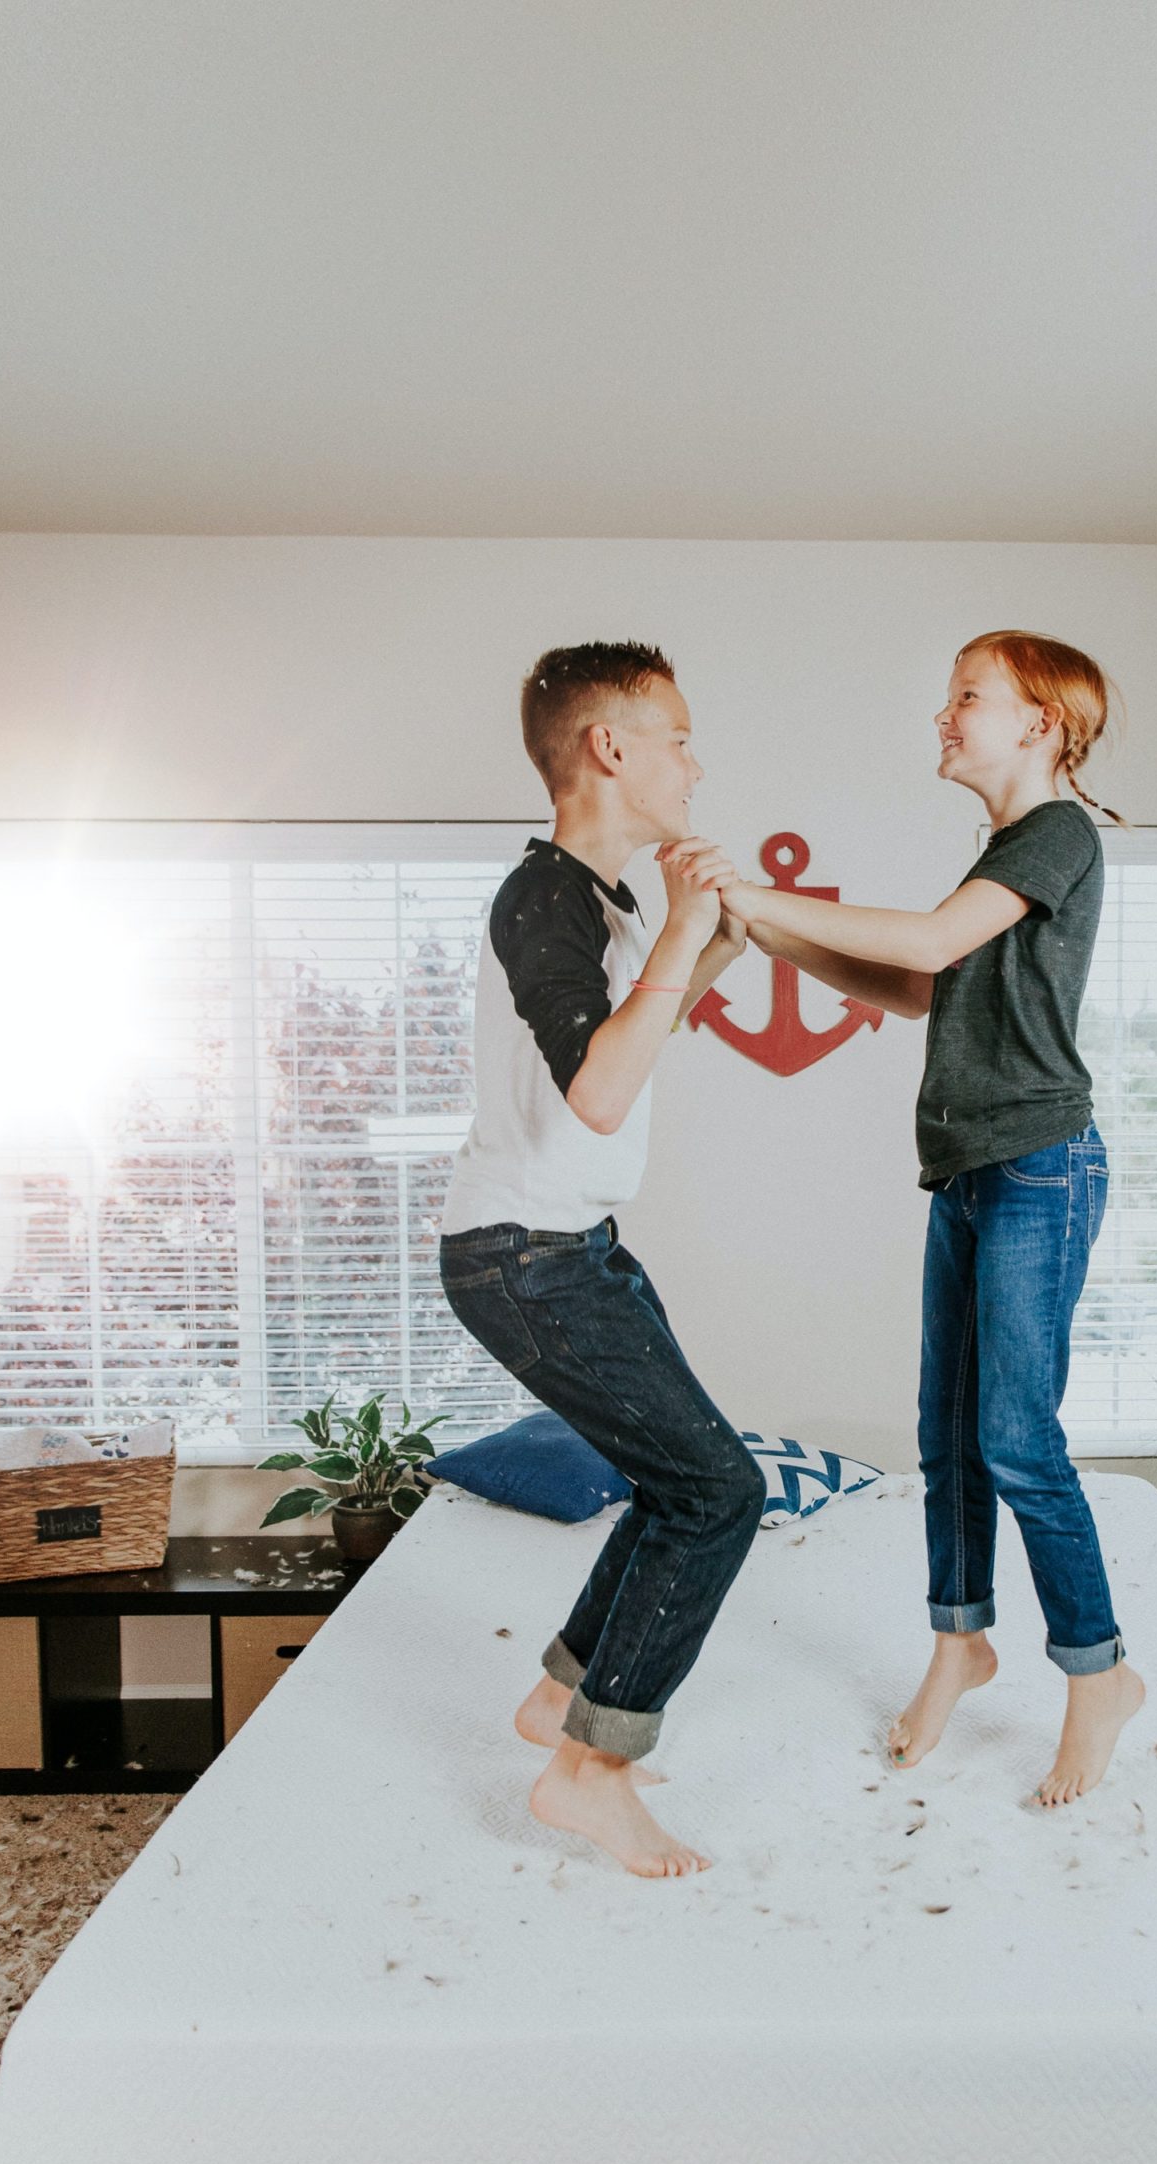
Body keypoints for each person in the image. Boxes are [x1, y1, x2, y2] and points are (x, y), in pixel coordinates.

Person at [719, 631, 1143, 1807]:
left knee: (1015, 1438)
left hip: (1039, 1170)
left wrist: (758, 893)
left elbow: (926, 941)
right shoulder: (1003, 852)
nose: (944, 717)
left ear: (1040, 724)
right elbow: (915, 986)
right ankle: (960, 1639)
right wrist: (773, 934)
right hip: (967, 1173)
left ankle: (1099, 1672)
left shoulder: (1057, 834)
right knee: (946, 1434)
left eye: (967, 698)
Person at [439, 640, 762, 1879]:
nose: (695, 757)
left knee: (678, 1481)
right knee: (718, 1494)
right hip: (525, 1256)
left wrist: (710, 939)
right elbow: (598, 1094)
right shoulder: (544, 897)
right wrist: (688, 929)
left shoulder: (604, 903)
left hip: (574, 1247)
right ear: (611, 749)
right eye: (676, 733)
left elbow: (642, 1024)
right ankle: (589, 1772)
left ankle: (558, 1702)